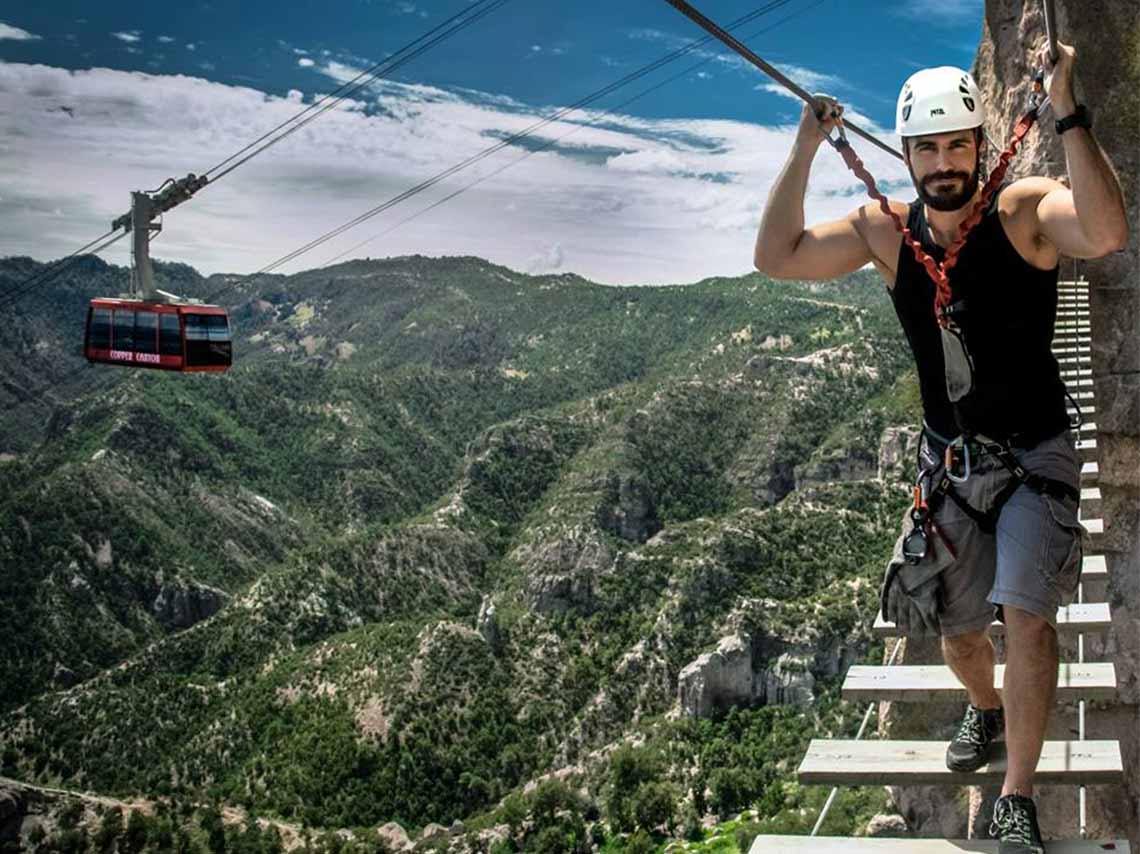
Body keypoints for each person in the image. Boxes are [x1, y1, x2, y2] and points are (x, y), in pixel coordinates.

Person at [752, 42, 1127, 854]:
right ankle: (985, 706)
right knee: (960, 636)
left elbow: (1103, 230)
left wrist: (1066, 105)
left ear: (982, 146)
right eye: (928, 147)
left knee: (1026, 617)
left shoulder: (1024, 213)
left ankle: (1016, 795)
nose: (945, 161)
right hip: (952, 466)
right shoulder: (886, 234)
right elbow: (774, 259)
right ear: (908, 154)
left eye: (959, 142)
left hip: (1037, 454)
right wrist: (805, 149)